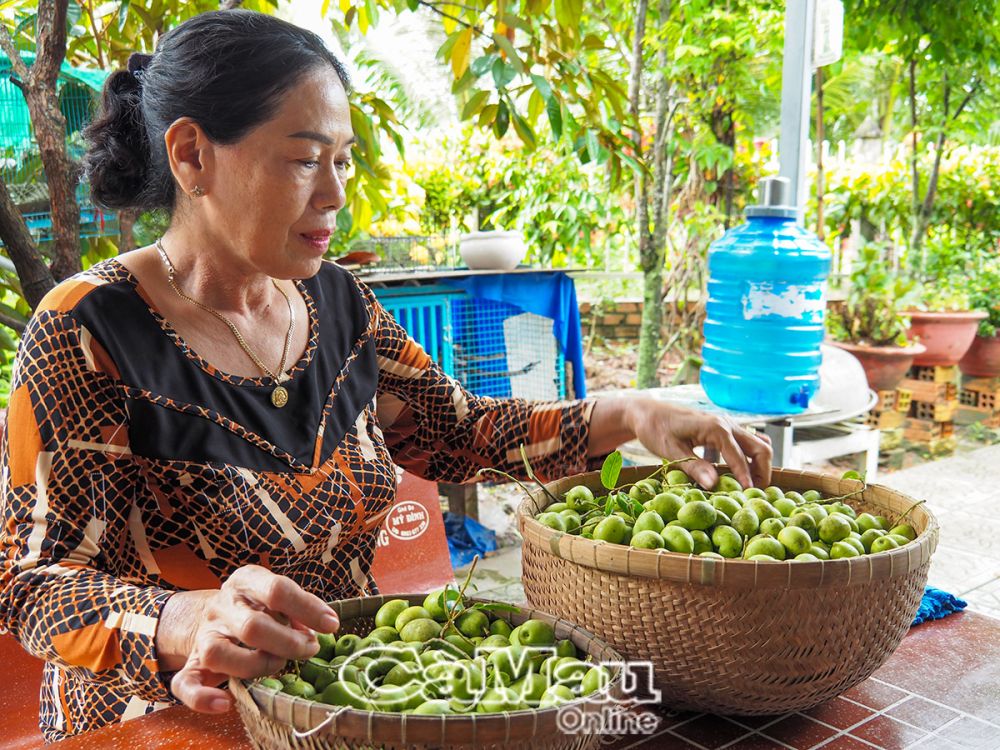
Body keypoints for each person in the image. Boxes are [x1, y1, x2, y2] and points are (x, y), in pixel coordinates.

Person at [0, 9, 771, 741]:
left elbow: (459, 434)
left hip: (345, 705)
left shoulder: (339, 304)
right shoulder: (89, 331)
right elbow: (33, 583)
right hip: (165, 724)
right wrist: (184, 622)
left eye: (342, 161)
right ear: (192, 154)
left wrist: (632, 413)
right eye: (305, 161)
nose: (335, 195)